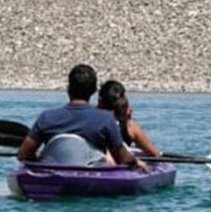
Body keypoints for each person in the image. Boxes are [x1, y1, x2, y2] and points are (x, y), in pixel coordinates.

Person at [15, 64, 148, 171]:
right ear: (93, 91)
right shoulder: (105, 119)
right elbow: (122, 159)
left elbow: (23, 154)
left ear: (68, 88)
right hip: (91, 178)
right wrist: (136, 161)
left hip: (53, 175)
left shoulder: (46, 118)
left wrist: (40, 158)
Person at [97, 79, 161, 157]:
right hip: (118, 166)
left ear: (100, 102)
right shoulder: (130, 126)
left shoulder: (88, 120)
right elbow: (155, 153)